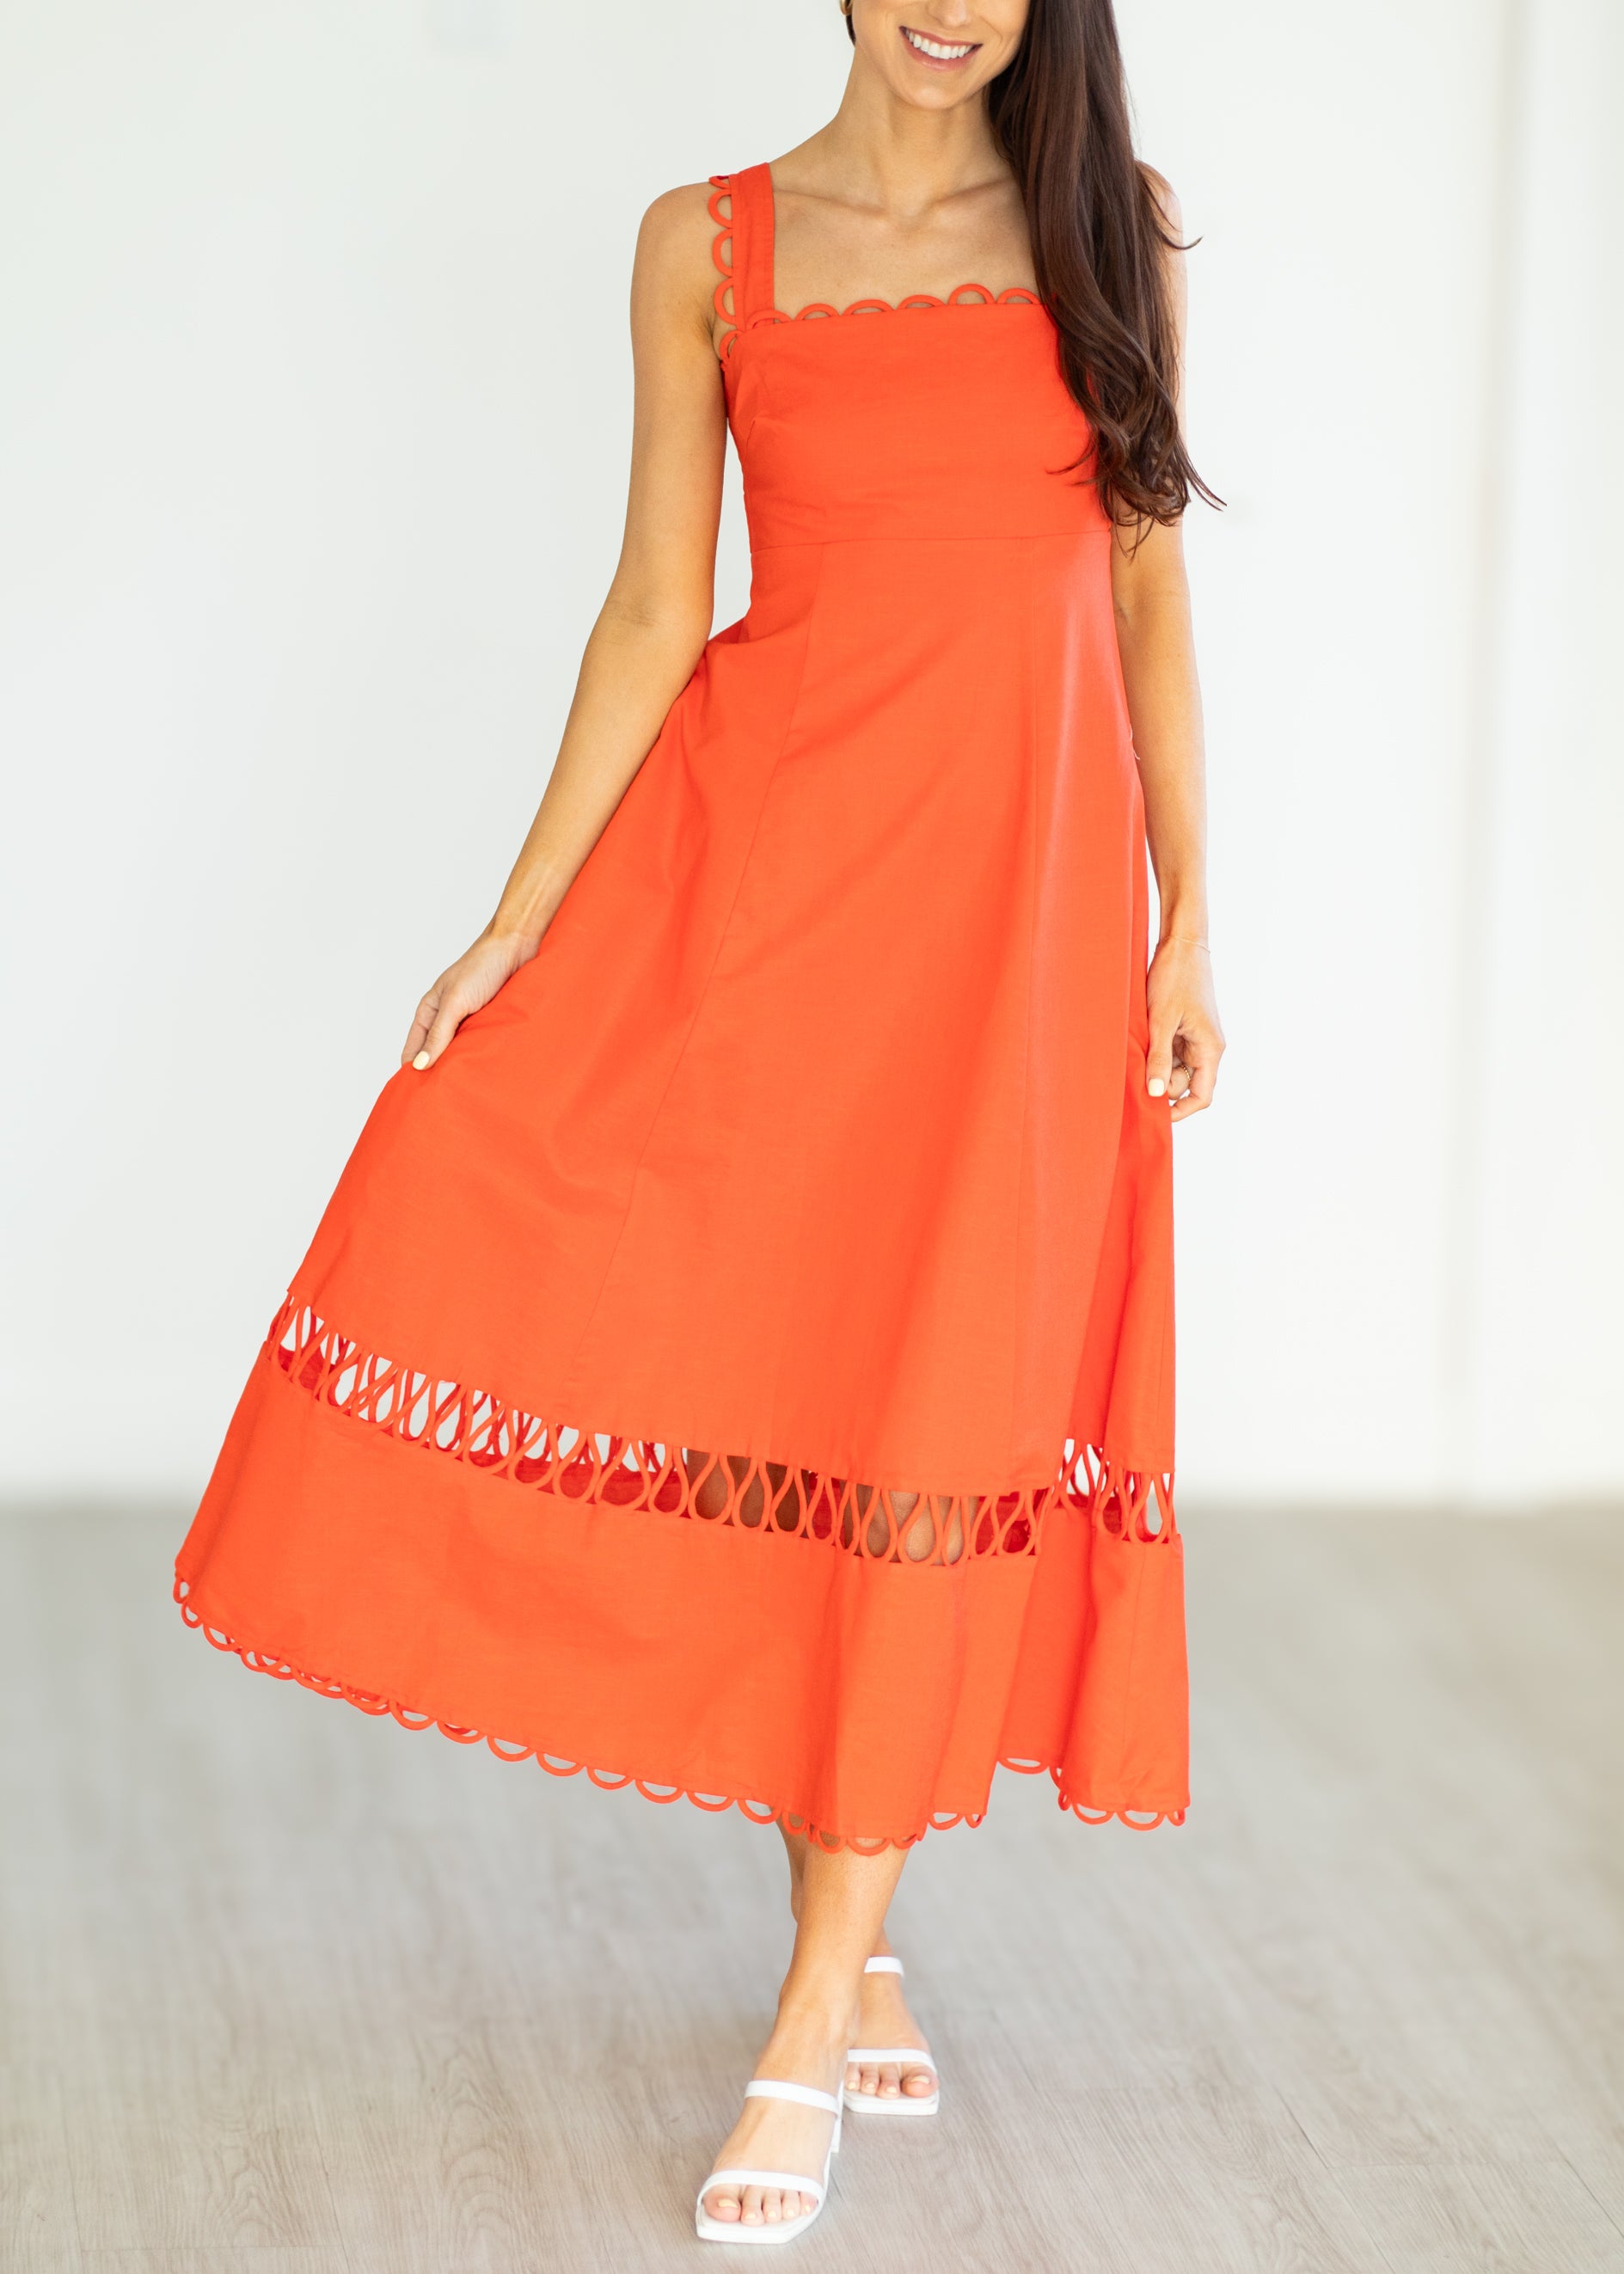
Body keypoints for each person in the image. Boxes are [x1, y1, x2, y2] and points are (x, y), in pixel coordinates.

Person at [175, 0, 1224, 2245]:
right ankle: (850, 1958)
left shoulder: (1102, 237)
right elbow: (658, 608)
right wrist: (516, 916)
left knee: (931, 1427)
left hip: (1013, 949)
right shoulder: (705, 246)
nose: (948, 6)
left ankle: (808, 2008)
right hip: (768, 912)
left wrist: (1190, 921)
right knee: (805, 1422)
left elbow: (1140, 579)